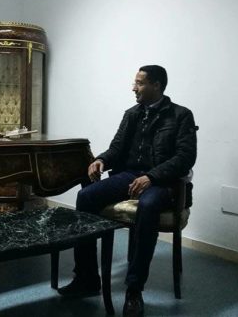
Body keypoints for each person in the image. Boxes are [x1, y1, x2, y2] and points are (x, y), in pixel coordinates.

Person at [58, 65, 197, 317]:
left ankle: (134, 289)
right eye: (135, 83)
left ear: (157, 85)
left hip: (164, 182)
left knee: (148, 206)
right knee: (85, 196)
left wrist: (151, 176)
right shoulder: (132, 114)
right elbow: (117, 148)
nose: (134, 88)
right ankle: (87, 277)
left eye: (140, 83)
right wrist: (101, 160)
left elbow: (185, 158)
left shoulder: (181, 115)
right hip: (131, 175)